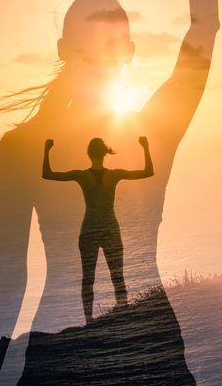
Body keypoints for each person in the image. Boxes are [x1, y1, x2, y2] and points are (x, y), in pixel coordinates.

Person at [0, 0, 218, 386]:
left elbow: (205, 28)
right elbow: (9, 270)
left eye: (118, 34)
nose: (110, 44)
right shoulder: (25, 146)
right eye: (100, 31)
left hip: (134, 354)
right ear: (65, 47)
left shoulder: (145, 129)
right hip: (96, 357)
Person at [42, 136, 154, 324]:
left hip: (89, 232)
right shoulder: (115, 174)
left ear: (88, 153)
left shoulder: (81, 175)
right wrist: (145, 147)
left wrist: (46, 150)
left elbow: (47, 174)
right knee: (118, 276)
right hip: (110, 230)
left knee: (88, 279)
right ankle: (123, 314)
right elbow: (148, 171)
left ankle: (89, 320)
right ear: (105, 153)